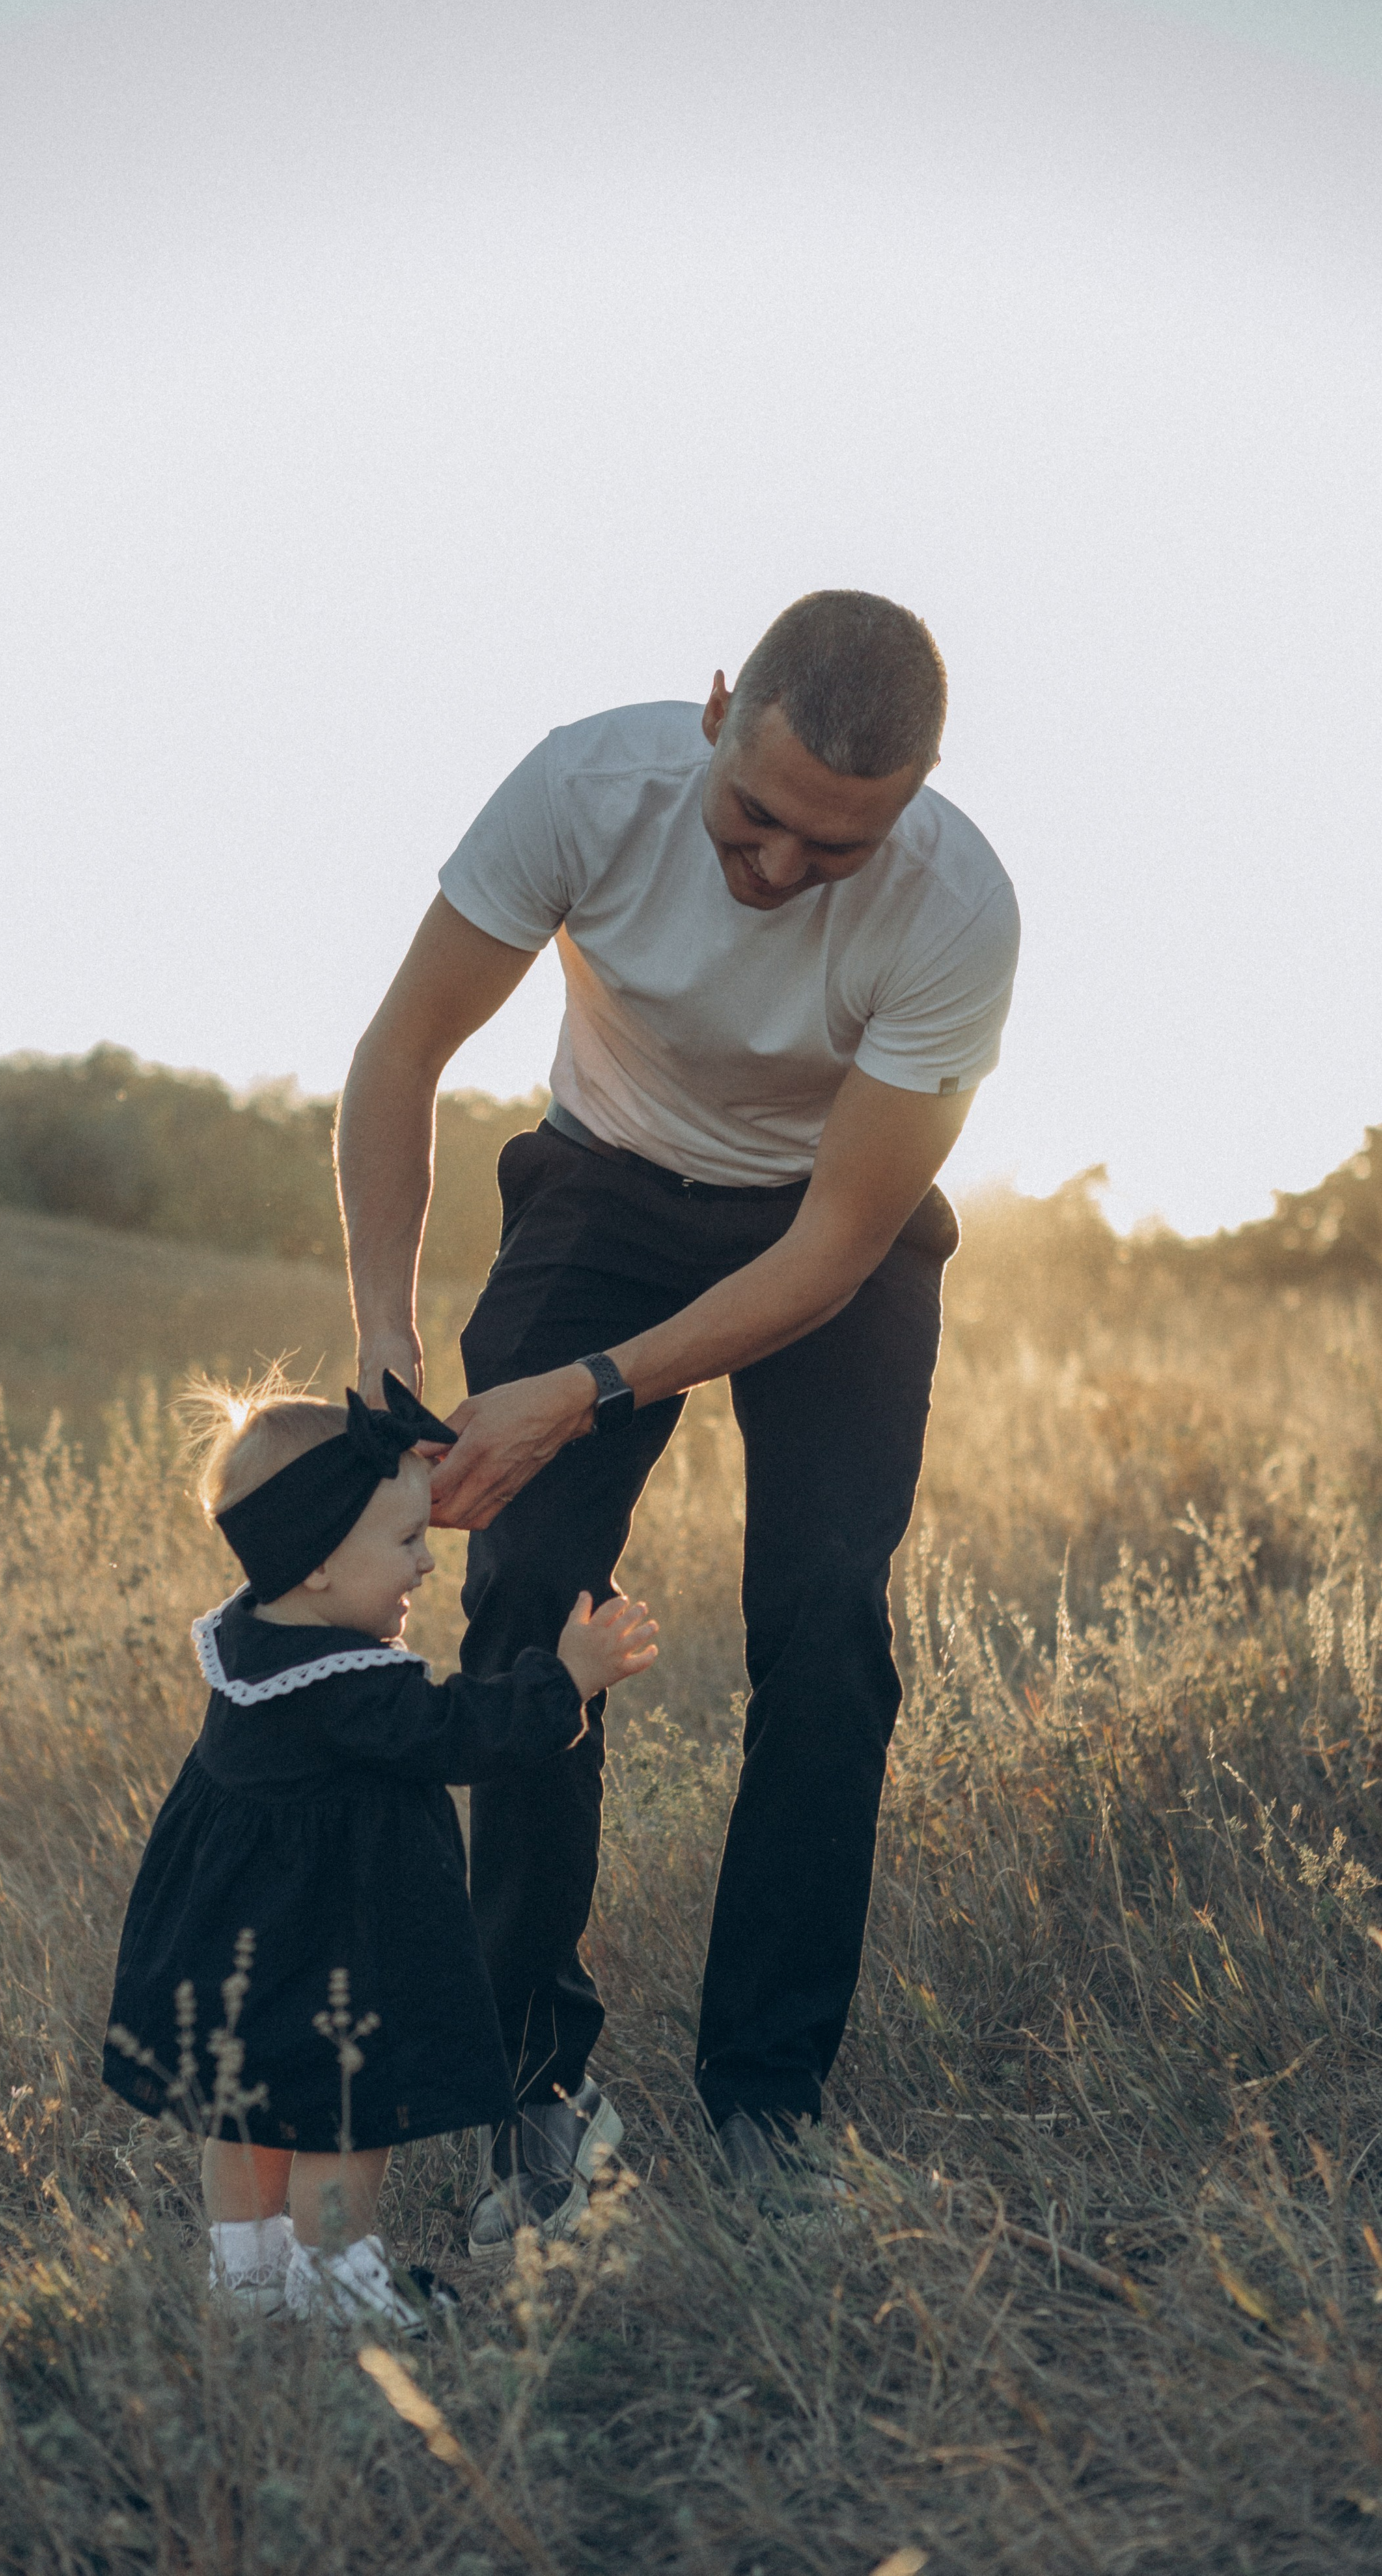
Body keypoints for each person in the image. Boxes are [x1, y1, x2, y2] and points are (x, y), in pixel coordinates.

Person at [336, 590, 1021, 2249]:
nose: (779, 871)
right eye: (757, 818)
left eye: (834, 850)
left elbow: (831, 1251)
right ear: (717, 707)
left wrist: (579, 1394)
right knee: (519, 1600)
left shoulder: (957, 910)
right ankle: (526, 2093)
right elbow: (401, 1051)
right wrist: (380, 1337)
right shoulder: (585, 788)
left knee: (822, 1626)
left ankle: (767, 2105)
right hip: (603, 1195)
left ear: (915, 799)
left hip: (821, 1244)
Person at [100, 1370, 657, 2327]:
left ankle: (245, 2274)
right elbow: (457, 1732)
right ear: (317, 1565)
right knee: (344, 2112)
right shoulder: (352, 1685)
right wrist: (567, 1679)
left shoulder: (247, 1644)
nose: (427, 1567)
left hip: (240, 1940)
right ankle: (336, 2276)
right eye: (405, 1542)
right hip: (335, 1945)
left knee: (244, 2103)